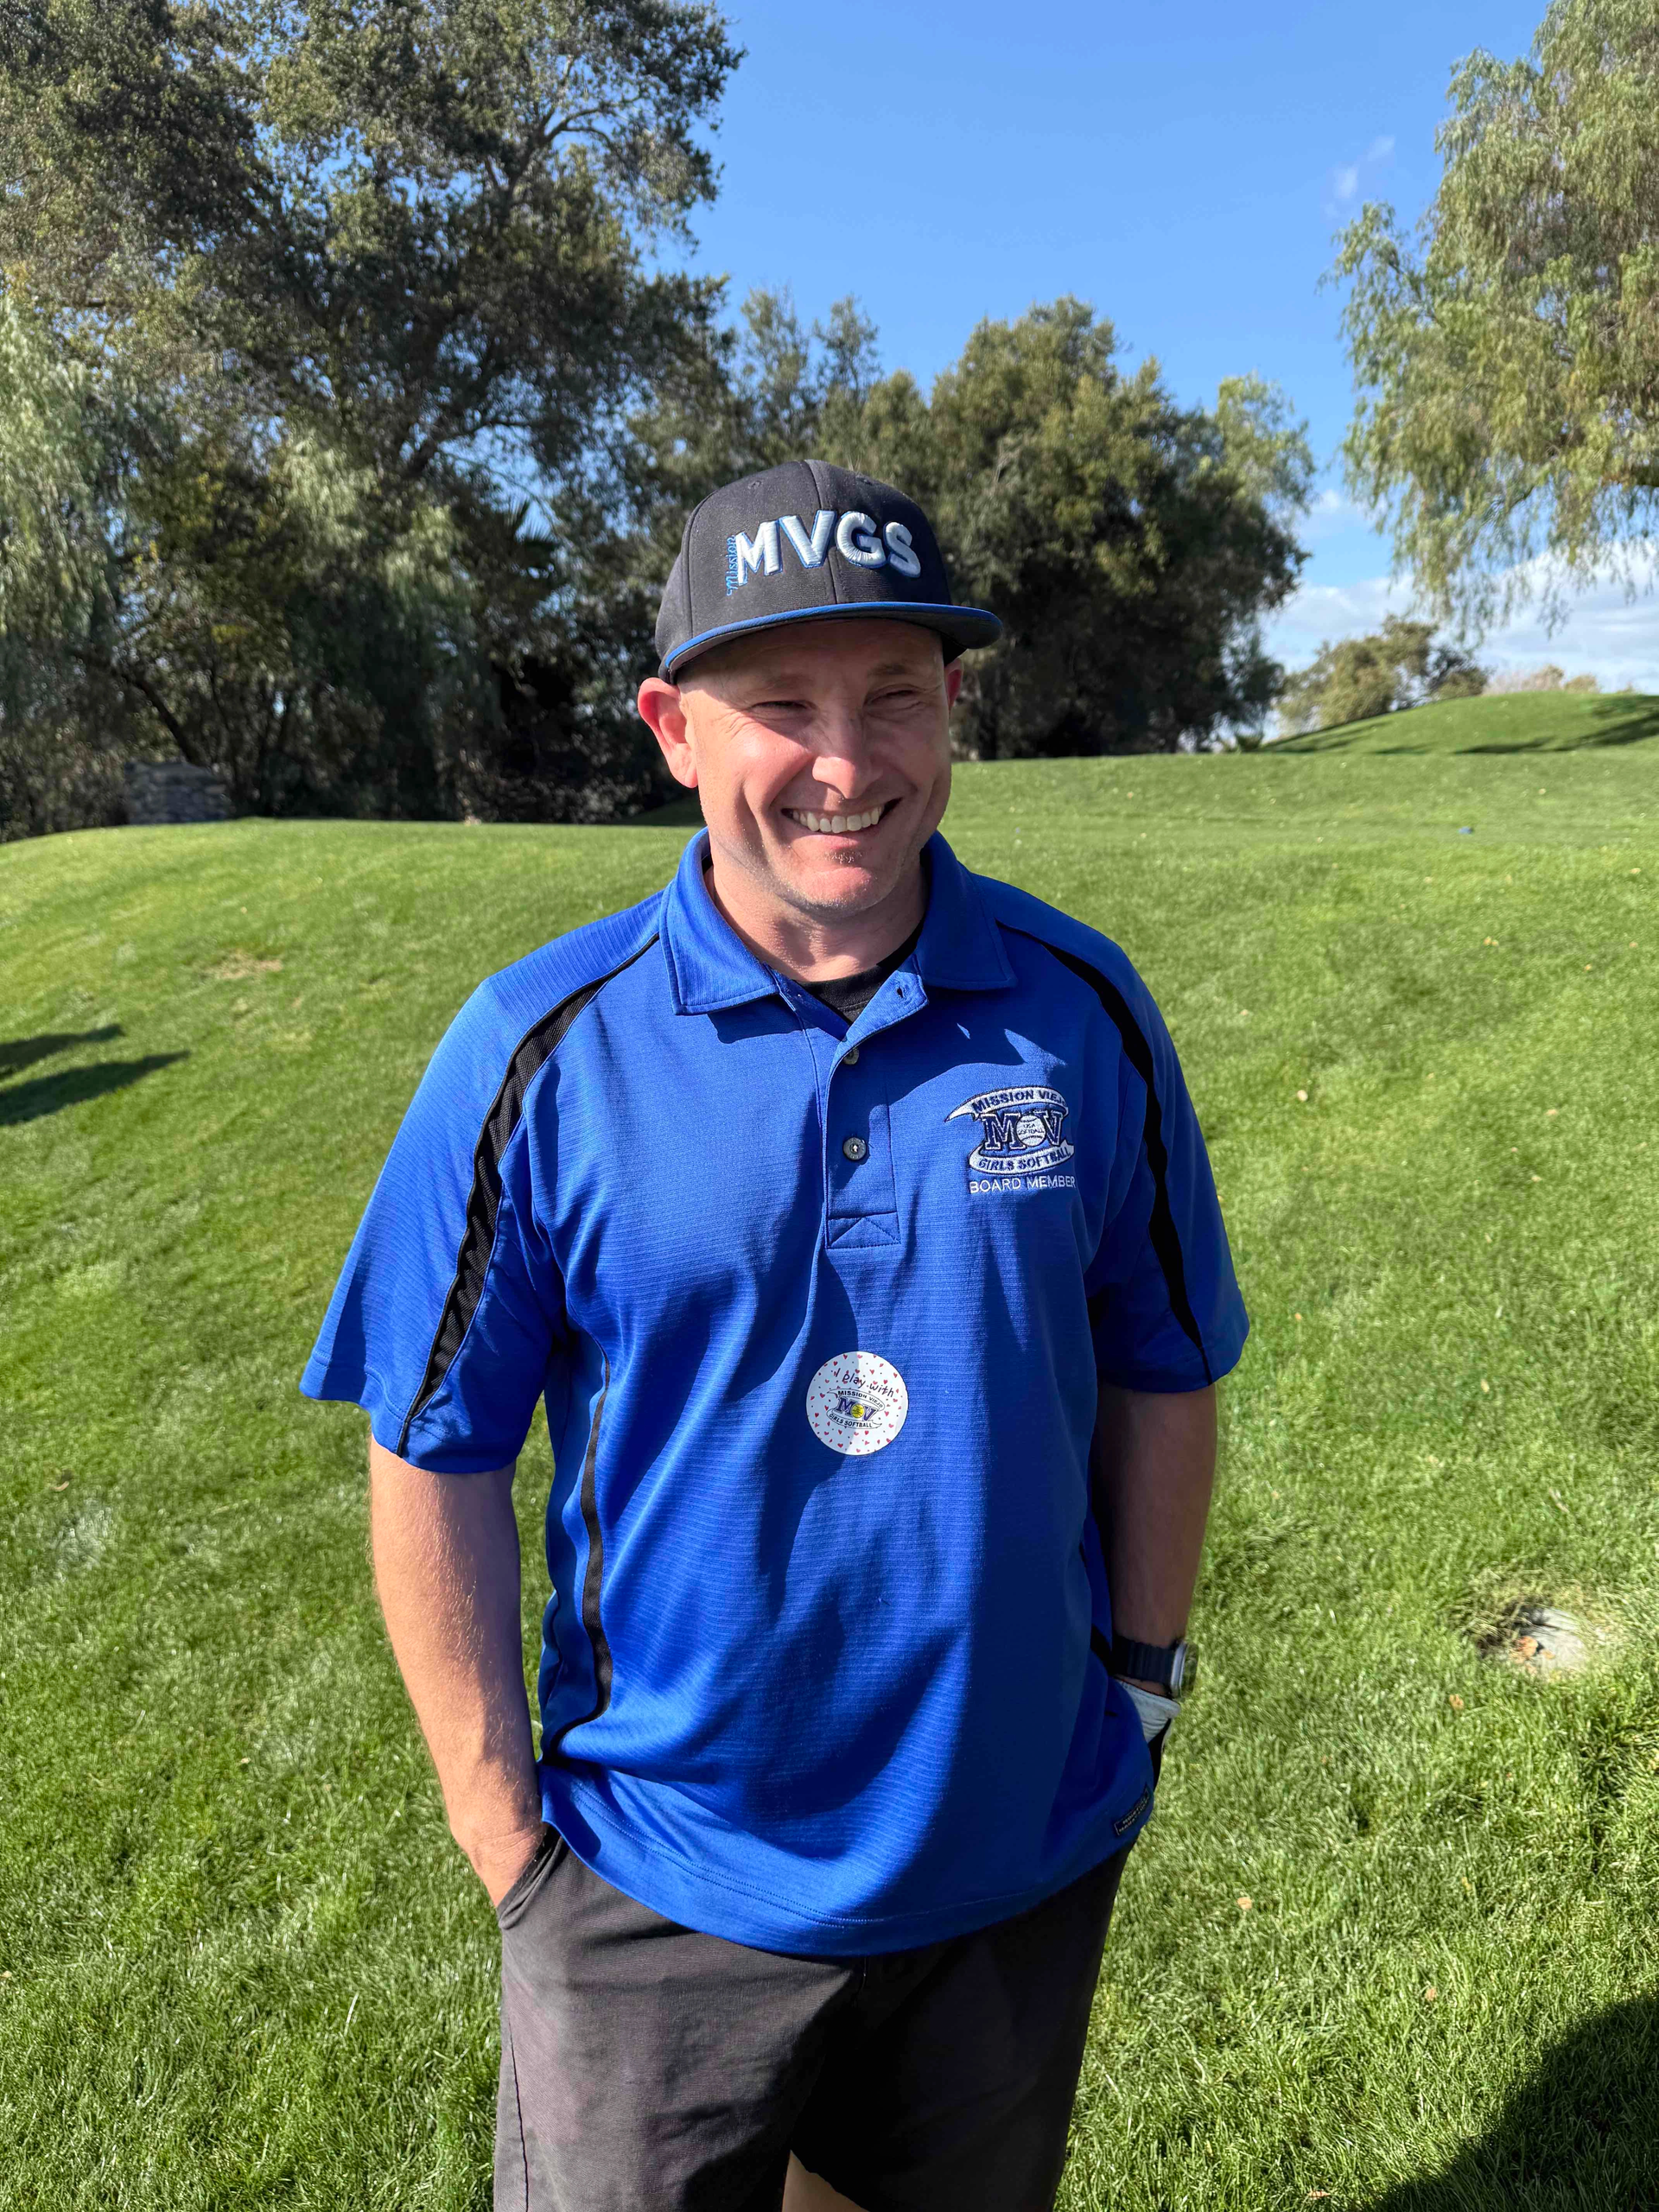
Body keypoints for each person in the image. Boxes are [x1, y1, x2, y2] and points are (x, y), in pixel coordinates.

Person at [302, 458, 1248, 2212]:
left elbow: (1164, 1362)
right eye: (780, 702)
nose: (845, 759)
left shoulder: (1083, 1012)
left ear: (953, 710)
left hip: (1009, 1857)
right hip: (655, 1889)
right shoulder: (536, 1050)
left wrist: (1136, 1682)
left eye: (895, 693)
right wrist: (505, 1836)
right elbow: (429, 1443)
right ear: (673, 726)